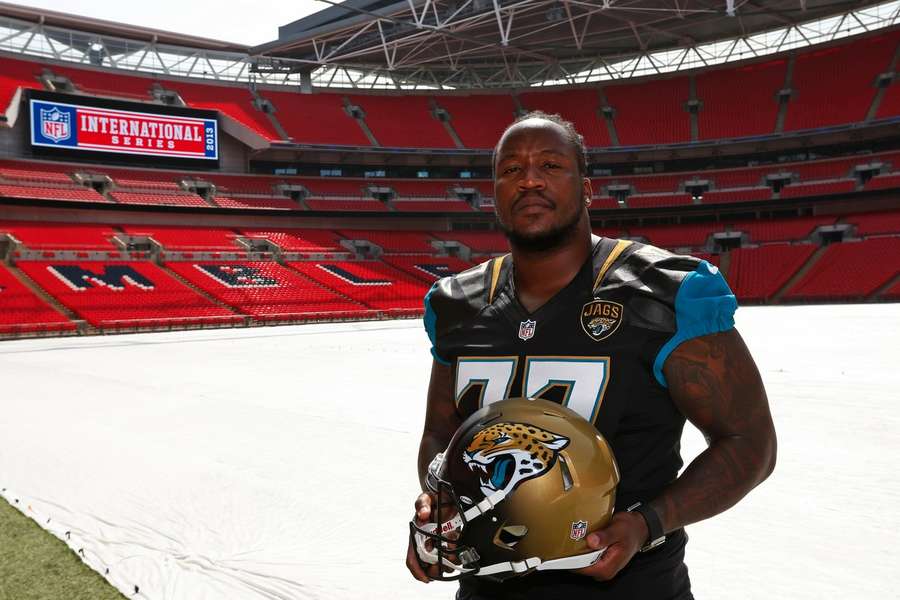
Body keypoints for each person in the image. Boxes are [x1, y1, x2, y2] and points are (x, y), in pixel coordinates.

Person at [405, 111, 777, 599]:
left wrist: (648, 522)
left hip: (634, 587)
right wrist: (441, 503)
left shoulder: (662, 293)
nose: (530, 179)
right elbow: (441, 431)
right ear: (493, 191)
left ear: (586, 187)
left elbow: (750, 442)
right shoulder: (458, 303)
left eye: (551, 165)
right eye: (511, 169)